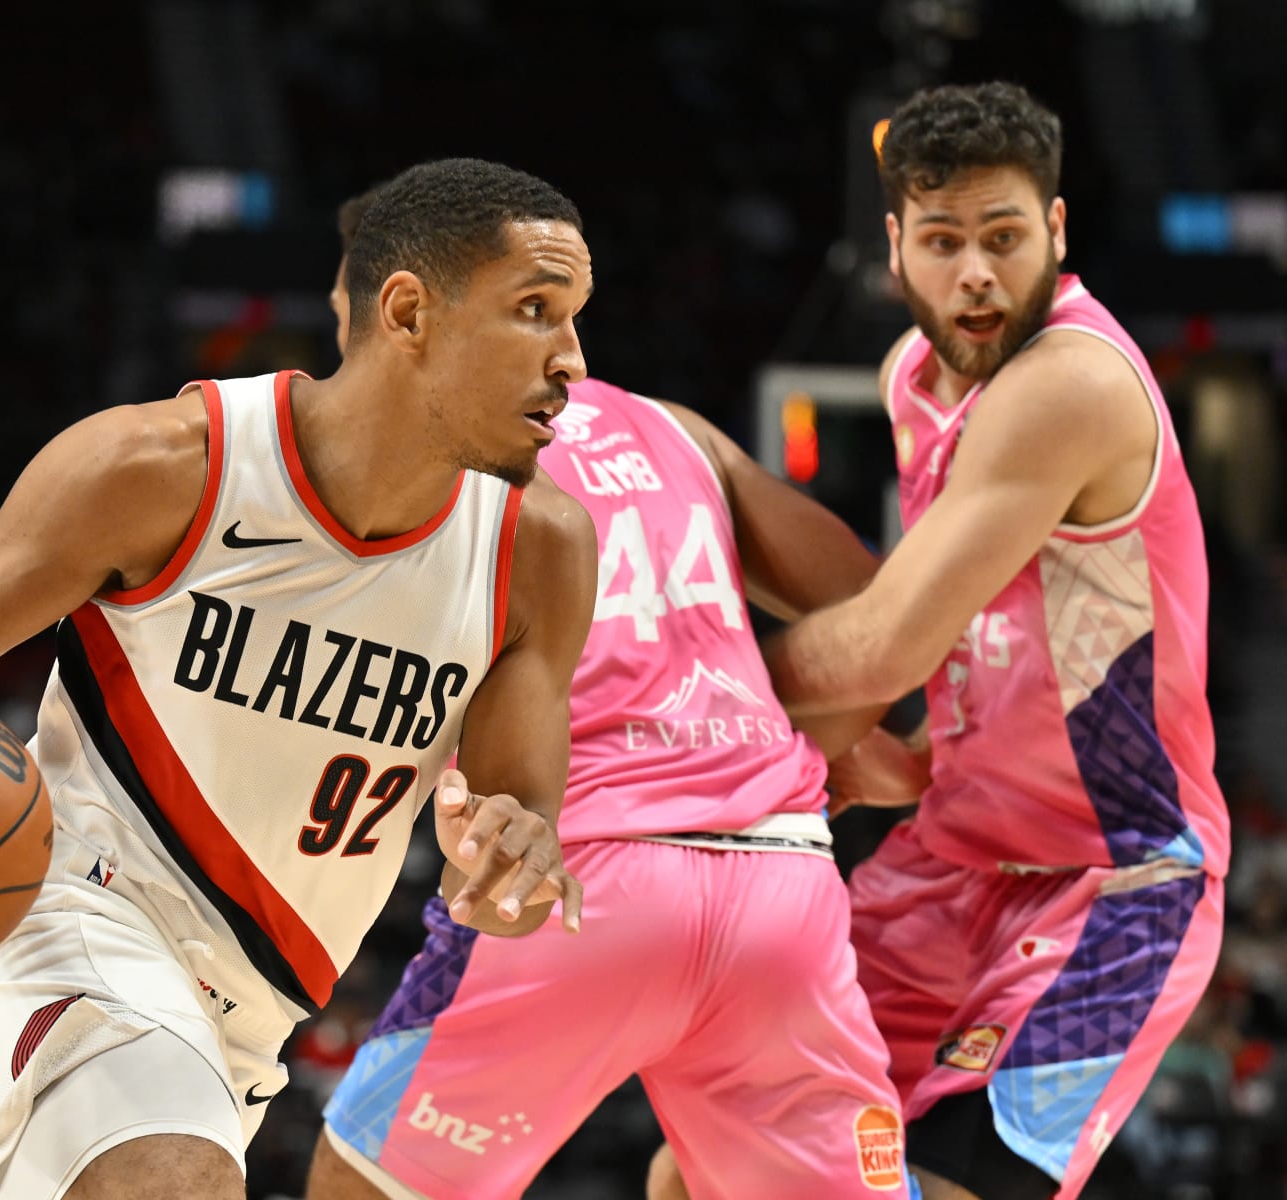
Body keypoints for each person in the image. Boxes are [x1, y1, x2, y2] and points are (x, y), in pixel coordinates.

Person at [0, 157, 601, 1200]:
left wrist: (508, 864)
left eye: (575, 317)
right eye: (535, 311)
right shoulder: (166, 468)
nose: (574, 361)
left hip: (245, 1023)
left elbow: (505, 880)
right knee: (170, 1175)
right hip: (49, 905)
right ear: (408, 311)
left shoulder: (539, 551)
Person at [308, 188, 911, 1200]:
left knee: (358, 1184)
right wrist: (822, 738)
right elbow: (872, 604)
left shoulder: (410, 450)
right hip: (784, 887)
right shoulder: (671, 430)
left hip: (583, 881)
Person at [752, 82, 1229, 1200]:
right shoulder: (910, 380)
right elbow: (937, 622)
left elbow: (877, 649)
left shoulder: (1067, 382)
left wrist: (702, 681)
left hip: (1111, 879)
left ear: (1056, 234)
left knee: (954, 1183)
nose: (975, 272)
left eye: (1004, 238)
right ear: (896, 249)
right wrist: (865, 742)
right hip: (950, 853)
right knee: (720, 1138)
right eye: (944, 240)